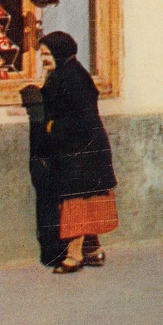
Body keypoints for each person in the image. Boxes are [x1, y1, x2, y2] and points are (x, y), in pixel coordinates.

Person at [38, 31, 117, 274]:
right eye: (42, 55)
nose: (44, 60)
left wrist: (53, 129)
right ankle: (93, 250)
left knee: (76, 201)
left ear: (60, 53)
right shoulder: (67, 73)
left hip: (82, 150)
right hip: (82, 148)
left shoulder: (70, 78)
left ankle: (74, 256)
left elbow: (76, 117)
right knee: (87, 198)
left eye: (47, 55)